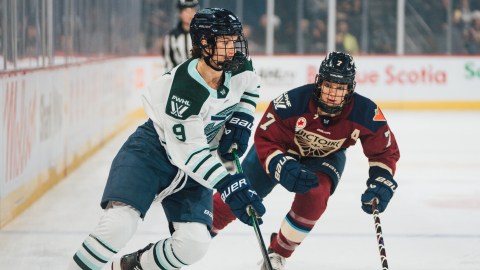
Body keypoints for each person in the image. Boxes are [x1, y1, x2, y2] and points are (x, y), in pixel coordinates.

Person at [69, 8, 265, 270]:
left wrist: (242, 119)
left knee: (194, 244)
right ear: (205, 44)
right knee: (118, 225)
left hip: (194, 169)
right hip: (151, 155)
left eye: (234, 40)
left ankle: (131, 266)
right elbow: (190, 154)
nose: (233, 49)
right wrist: (228, 184)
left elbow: (252, 89)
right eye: (225, 42)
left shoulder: (239, 66)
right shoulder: (184, 91)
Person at [211, 51, 400, 270]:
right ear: (319, 82)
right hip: (280, 150)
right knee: (238, 193)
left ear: (350, 90)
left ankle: (278, 252)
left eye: (340, 88)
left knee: (315, 196)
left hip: (327, 157)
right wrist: (280, 166)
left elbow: (384, 152)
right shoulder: (292, 103)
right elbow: (265, 138)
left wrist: (382, 179)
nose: (333, 94)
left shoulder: (366, 112)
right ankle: (197, 231)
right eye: (329, 85)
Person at [163, 0, 198, 70]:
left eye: (193, 10)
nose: (190, 14)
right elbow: (169, 63)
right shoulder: (171, 37)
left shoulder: (202, 34)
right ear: (180, 14)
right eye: (187, 11)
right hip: (179, 77)